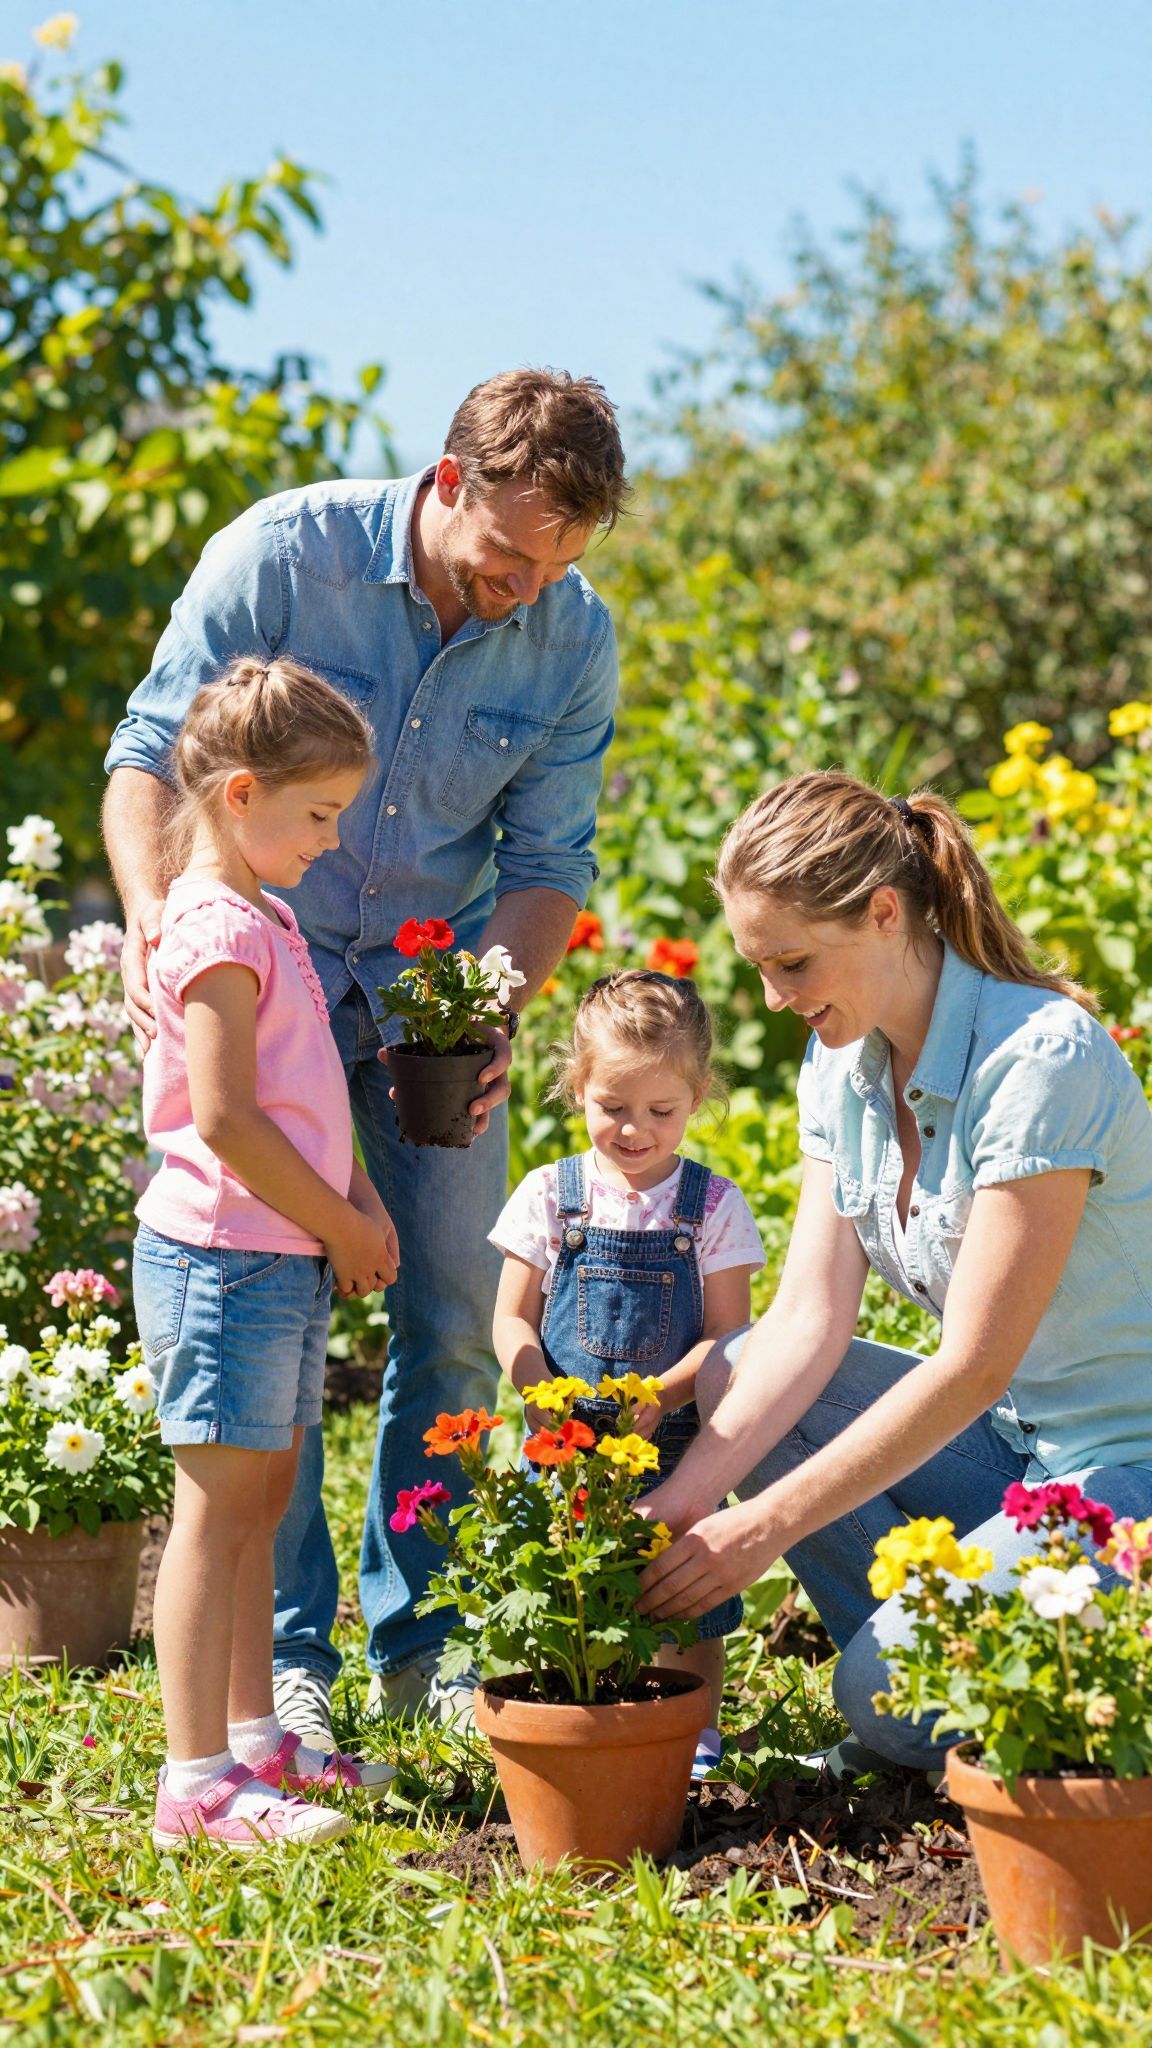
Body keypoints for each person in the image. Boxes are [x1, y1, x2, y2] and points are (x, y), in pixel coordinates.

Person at [103, 369, 628, 1742]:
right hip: (259, 973)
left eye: (561, 561)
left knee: (454, 1302)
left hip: (426, 998)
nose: (529, 586)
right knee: (280, 1311)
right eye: (512, 553)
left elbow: (547, 862)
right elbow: (152, 749)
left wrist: (490, 1002)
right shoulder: (285, 555)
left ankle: (426, 1641)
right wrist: (156, 914)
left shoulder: (571, 640)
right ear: (450, 480)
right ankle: (284, 1663)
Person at [636, 770, 1152, 1772]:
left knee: (879, 1692)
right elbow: (805, 1322)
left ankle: (926, 1689)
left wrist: (762, 1530)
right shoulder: (842, 1063)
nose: (774, 998)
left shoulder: (1040, 1059)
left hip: (1125, 1483)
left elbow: (972, 1366)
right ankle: (947, 1679)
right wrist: (691, 1498)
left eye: (791, 962)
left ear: (884, 911)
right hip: (1012, 1465)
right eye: (757, 967)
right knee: (737, 1369)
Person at [137, 658, 399, 1850]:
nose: (331, 839)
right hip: (221, 1258)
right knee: (217, 1509)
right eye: (319, 814)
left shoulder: (267, 914)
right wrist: (340, 1220)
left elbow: (298, 1104)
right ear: (241, 793)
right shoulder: (213, 925)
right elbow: (230, 1116)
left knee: (263, 1497)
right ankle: (193, 1783)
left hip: (274, 1254)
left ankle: (252, 1741)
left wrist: (353, 1200)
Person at [489, 969, 764, 1774]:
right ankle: (586, 1706)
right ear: (577, 1086)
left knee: (686, 1589)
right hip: (566, 1436)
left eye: (661, 1112)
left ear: (699, 1095)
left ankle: (695, 1731)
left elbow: (728, 1337)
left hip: (671, 1439)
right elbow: (511, 1317)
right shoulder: (551, 1196)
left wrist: (665, 1391)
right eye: (612, 1107)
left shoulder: (711, 1207)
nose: (634, 1130)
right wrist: (536, 1387)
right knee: (571, 1575)